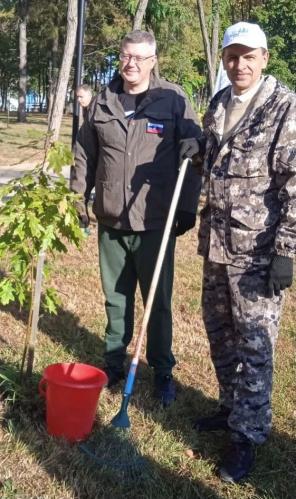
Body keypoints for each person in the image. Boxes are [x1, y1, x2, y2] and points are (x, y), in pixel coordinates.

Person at [71, 30, 201, 406]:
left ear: (153, 61)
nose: (131, 64)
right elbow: (84, 154)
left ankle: (162, 371)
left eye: (139, 58)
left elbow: (193, 153)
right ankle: (113, 363)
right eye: (126, 56)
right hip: (111, 219)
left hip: (155, 221)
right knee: (115, 298)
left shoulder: (173, 100)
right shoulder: (103, 102)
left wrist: (188, 207)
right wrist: (77, 197)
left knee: (157, 301)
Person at [194, 21, 296, 482]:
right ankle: (230, 408)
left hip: (258, 253)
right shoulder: (218, 103)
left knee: (254, 347)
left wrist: (286, 250)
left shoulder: (285, 108)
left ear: (264, 58)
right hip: (217, 245)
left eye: (248, 56)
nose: (240, 65)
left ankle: (247, 439)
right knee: (219, 333)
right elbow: (215, 163)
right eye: (232, 56)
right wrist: (195, 149)